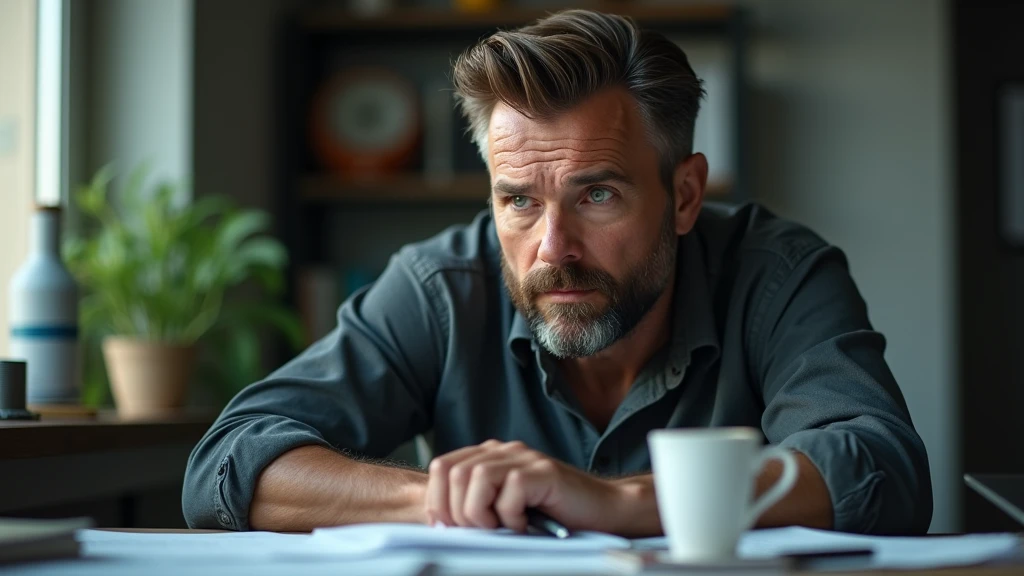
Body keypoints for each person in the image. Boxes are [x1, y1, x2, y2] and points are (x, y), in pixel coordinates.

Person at [182, 9, 932, 536]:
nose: (552, 248)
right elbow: (231, 460)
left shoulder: (780, 276)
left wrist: (617, 503)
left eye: (596, 194)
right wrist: (449, 498)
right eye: (518, 201)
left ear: (684, 195)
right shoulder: (442, 287)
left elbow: (881, 467)